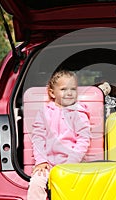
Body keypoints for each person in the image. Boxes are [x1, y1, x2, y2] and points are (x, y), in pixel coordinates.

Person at [27, 70, 91, 200]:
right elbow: (38, 138)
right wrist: (41, 161)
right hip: (48, 164)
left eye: (73, 89)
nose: (69, 93)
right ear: (52, 93)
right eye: (63, 89)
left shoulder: (79, 113)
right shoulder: (44, 112)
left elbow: (83, 140)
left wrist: (70, 163)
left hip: (72, 164)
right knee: (36, 184)